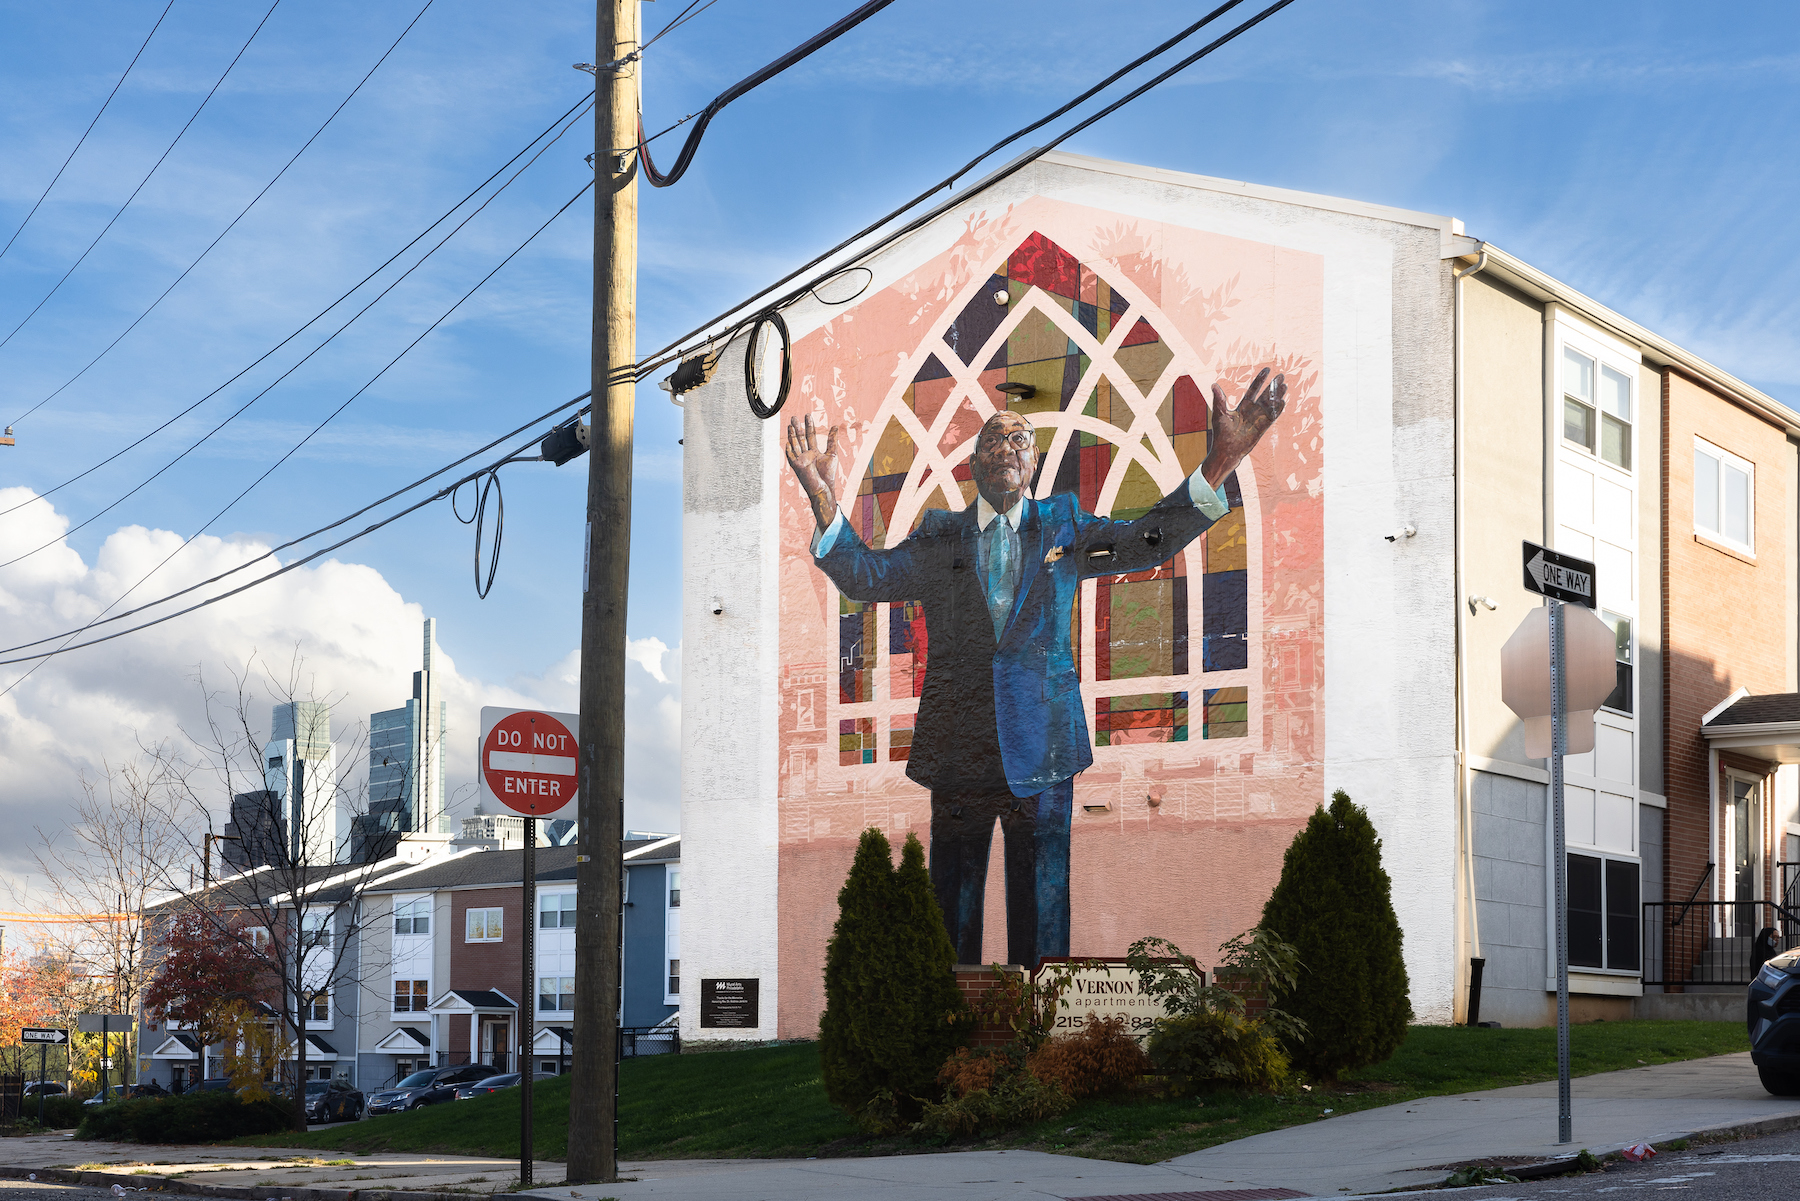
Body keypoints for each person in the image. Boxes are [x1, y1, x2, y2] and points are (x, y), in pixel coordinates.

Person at [787, 369, 1287, 967]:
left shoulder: (1065, 527)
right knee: (952, 905)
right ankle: (954, 1034)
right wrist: (822, 497)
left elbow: (1145, 541)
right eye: (992, 442)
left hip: (1045, 747)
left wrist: (1219, 464)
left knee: (1043, 907)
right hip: (957, 746)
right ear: (974, 465)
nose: (1005, 450)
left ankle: (1042, 1040)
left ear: (1035, 465)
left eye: (1019, 441)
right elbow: (867, 576)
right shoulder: (939, 537)